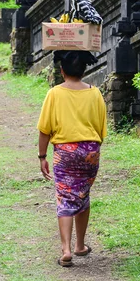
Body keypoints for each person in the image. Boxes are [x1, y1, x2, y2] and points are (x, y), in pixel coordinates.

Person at [37, 50, 107, 268]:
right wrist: (90, 152)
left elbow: (44, 130)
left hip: (65, 152)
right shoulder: (95, 93)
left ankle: (66, 250)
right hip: (90, 150)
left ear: (61, 70)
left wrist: (42, 156)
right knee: (83, 195)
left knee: (65, 197)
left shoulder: (54, 94)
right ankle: (80, 245)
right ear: (84, 69)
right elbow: (101, 129)